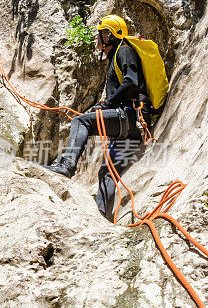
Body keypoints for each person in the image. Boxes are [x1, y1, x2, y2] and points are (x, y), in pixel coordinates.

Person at [45, 15, 159, 219]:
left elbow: (131, 81)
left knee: (81, 121)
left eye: (100, 33)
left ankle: (67, 166)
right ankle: (101, 217)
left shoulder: (123, 51)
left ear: (109, 35)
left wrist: (107, 104)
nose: (96, 38)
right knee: (107, 173)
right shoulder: (116, 56)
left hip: (128, 117)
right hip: (131, 132)